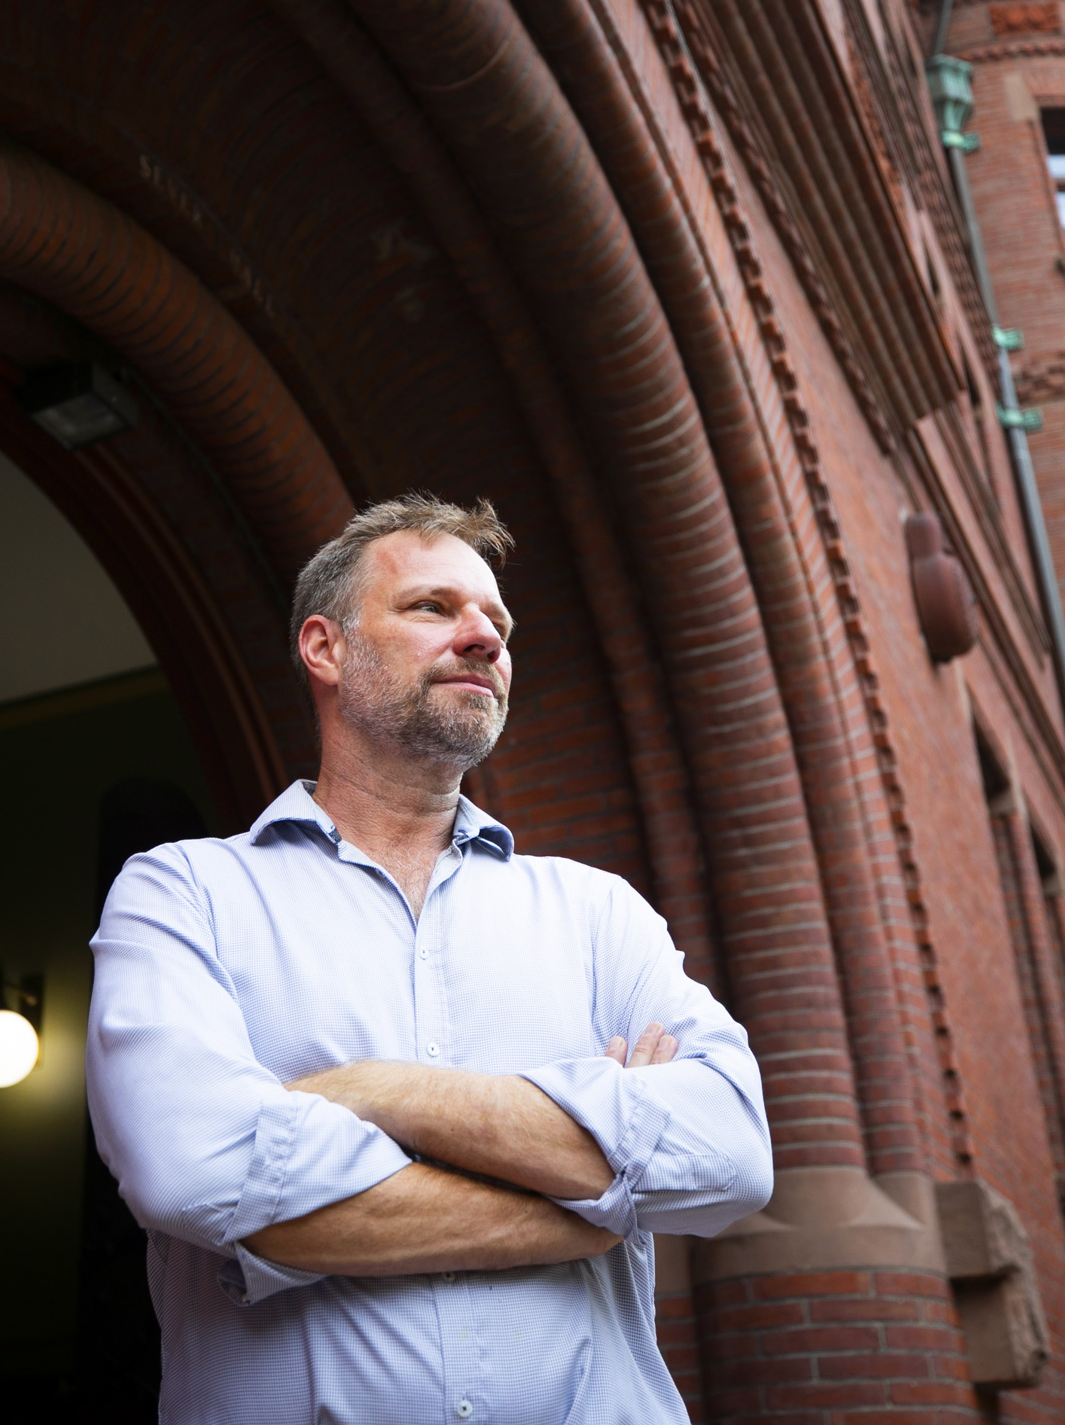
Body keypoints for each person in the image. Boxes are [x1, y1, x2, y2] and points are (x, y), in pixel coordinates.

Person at [86, 494, 773, 1422]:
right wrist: (590, 1196)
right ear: (324, 648)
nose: (484, 638)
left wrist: (374, 1092)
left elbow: (730, 1148)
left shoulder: (596, 911)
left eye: (498, 620)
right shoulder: (187, 894)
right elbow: (193, 1167)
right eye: (433, 608)